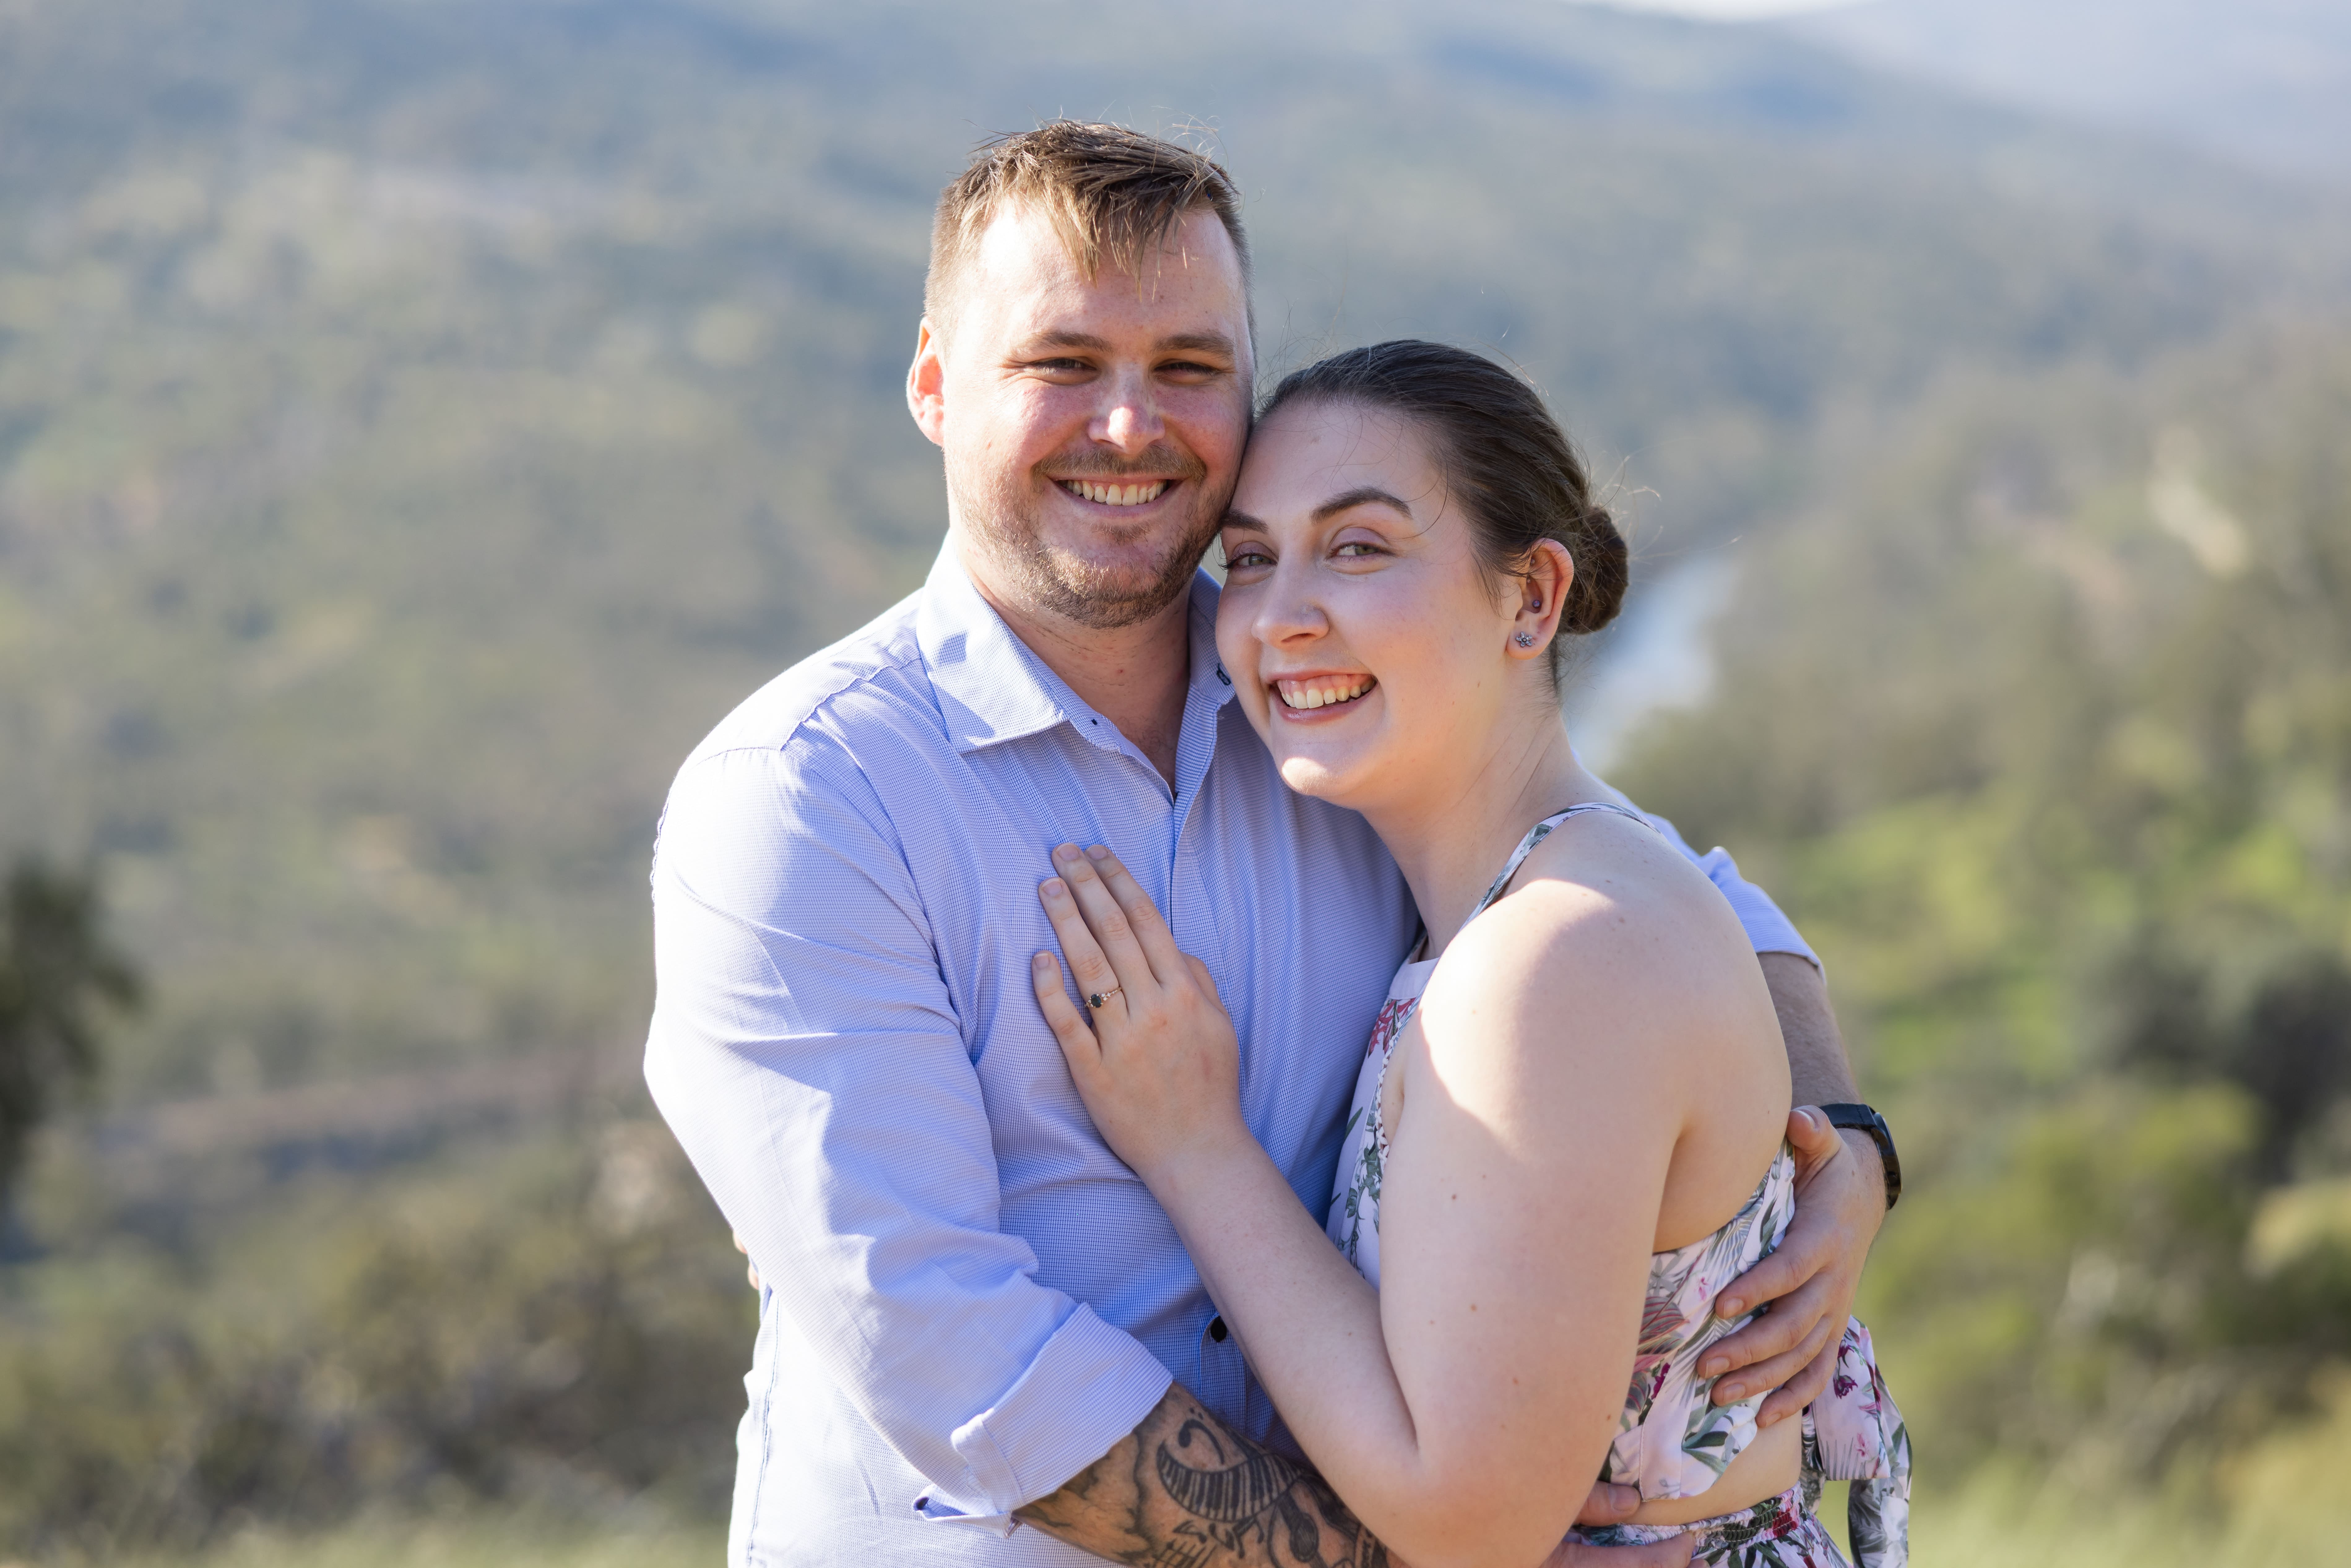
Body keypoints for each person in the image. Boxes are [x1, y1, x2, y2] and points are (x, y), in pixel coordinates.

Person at [643, 121, 1896, 1568]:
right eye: (1063, 365)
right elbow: (952, 1353)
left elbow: (1665, 904)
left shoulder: (1321, 706)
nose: (1130, 425)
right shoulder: (807, 799)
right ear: (934, 382)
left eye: (1188, 368)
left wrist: (1835, 1145)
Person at [1027, 340, 1909, 1568]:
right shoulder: (1554, 885)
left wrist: (1195, 1144)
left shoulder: (1548, 961)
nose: (1280, 617)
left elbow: (1468, 1515)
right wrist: (1852, 1133)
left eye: (1360, 547)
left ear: (1532, 599)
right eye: (1251, 557)